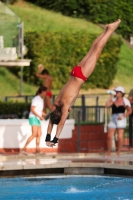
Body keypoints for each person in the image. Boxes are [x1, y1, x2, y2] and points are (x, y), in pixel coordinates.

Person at [45, 19, 121, 147]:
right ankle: (106, 30)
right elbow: (51, 122)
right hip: (75, 72)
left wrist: (55, 140)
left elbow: (60, 123)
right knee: (92, 49)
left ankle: (111, 29)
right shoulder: (56, 103)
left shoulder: (64, 106)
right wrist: (48, 137)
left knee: (97, 51)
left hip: (81, 76)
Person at [105, 86, 132, 157]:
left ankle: (118, 153)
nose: (116, 93)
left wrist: (123, 116)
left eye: (117, 92)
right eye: (116, 92)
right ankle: (108, 153)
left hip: (120, 118)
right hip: (113, 117)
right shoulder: (113, 100)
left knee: (119, 136)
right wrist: (110, 96)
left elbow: (130, 110)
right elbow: (107, 105)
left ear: (121, 93)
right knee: (109, 136)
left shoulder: (125, 101)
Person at [22, 85, 47, 154]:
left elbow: (39, 110)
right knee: (34, 134)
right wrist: (40, 116)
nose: (46, 93)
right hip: (33, 117)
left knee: (39, 134)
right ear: (42, 91)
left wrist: (44, 114)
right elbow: (32, 109)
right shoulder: (36, 99)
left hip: (37, 118)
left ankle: (37, 150)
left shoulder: (41, 100)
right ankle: (24, 148)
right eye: (45, 92)